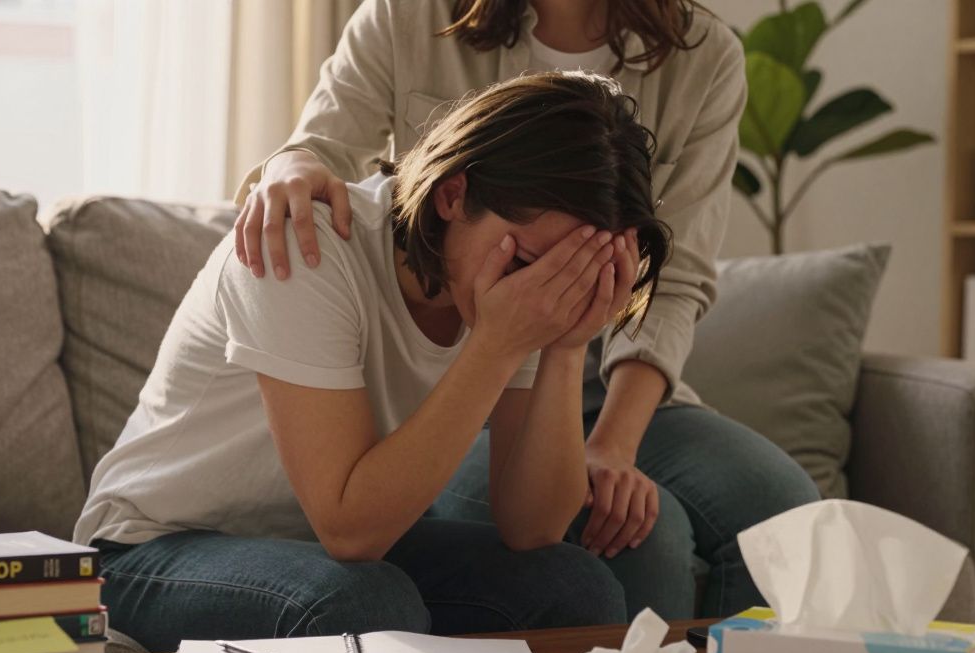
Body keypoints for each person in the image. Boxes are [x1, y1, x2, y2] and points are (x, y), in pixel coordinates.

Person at [232, 0, 821, 620]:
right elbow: (318, 152)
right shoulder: (409, 15)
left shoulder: (703, 53)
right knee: (647, 536)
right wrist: (290, 165)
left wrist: (612, 443)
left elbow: (676, 280)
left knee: (785, 506)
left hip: (609, 366)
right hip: (480, 360)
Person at [75, 71, 671, 652]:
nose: (545, 295)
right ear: (453, 194)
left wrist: (565, 346)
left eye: (570, 277)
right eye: (530, 266)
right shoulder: (306, 243)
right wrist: (497, 344)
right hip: (148, 553)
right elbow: (350, 528)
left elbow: (532, 528)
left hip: (326, 554)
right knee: (364, 605)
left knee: (574, 588)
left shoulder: (508, 287)